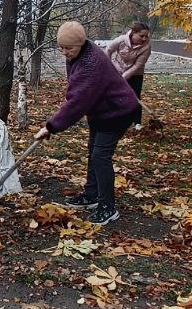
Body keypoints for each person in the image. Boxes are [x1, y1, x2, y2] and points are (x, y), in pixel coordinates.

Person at [34, 21, 140, 225]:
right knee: (94, 152)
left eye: (69, 48)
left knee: (101, 156)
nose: (65, 52)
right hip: (101, 111)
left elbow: (77, 103)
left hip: (118, 111)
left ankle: (108, 207)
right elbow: (77, 92)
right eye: (61, 48)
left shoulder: (90, 63)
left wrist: (50, 127)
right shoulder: (79, 53)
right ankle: (91, 195)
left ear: (81, 44)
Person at [103, 22, 152, 129]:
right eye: (141, 35)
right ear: (134, 33)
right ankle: (114, 118)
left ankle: (137, 123)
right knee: (115, 95)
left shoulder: (146, 46)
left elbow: (138, 65)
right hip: (117, 71)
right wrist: (109, 67)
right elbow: (108, 50)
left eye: (146, 36)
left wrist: (125, 76)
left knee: (135, 97)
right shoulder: (121, 40)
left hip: (136, 73)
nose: (144, 38)